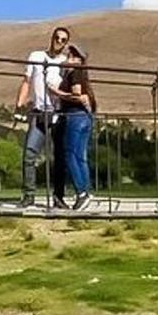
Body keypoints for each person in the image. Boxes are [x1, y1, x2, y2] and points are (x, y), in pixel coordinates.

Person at [14, 26, 70, 208]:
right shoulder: (36, 57)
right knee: (29, 154)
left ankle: (58, 197)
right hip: (39, 113)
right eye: (57, 38)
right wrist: (19, 105)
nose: (59, 42)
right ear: (51, 38)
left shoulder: (65, 63)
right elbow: (26, 82)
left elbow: (72, 87)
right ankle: (29, 195)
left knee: (59, 156)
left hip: (58, 113)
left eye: (63, 40)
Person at [54, 44, 98, 210]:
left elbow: (77, 95)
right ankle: (85, 190)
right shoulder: (81, 74)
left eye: (72, 56)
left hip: (74, 116)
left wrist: (56, 92)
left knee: (70, 155)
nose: (68, 57)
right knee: (80, 157)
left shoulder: (75, 72)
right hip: (84, 117)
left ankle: (81, 193)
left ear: (78, 60)